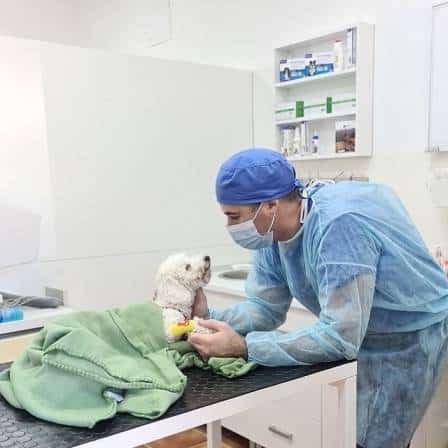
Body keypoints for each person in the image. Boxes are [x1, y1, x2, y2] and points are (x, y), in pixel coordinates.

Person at [188, 148, 448, 448]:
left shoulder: (338, 227)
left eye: (235, 217)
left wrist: (245, 347)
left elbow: (340, 337)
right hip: (361, 333)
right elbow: (264, 308)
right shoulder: (269, 235)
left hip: (408, 336)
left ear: (270, 205)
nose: (231, 227)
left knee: (375, 439)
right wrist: (209, 318)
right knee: (349, 432)